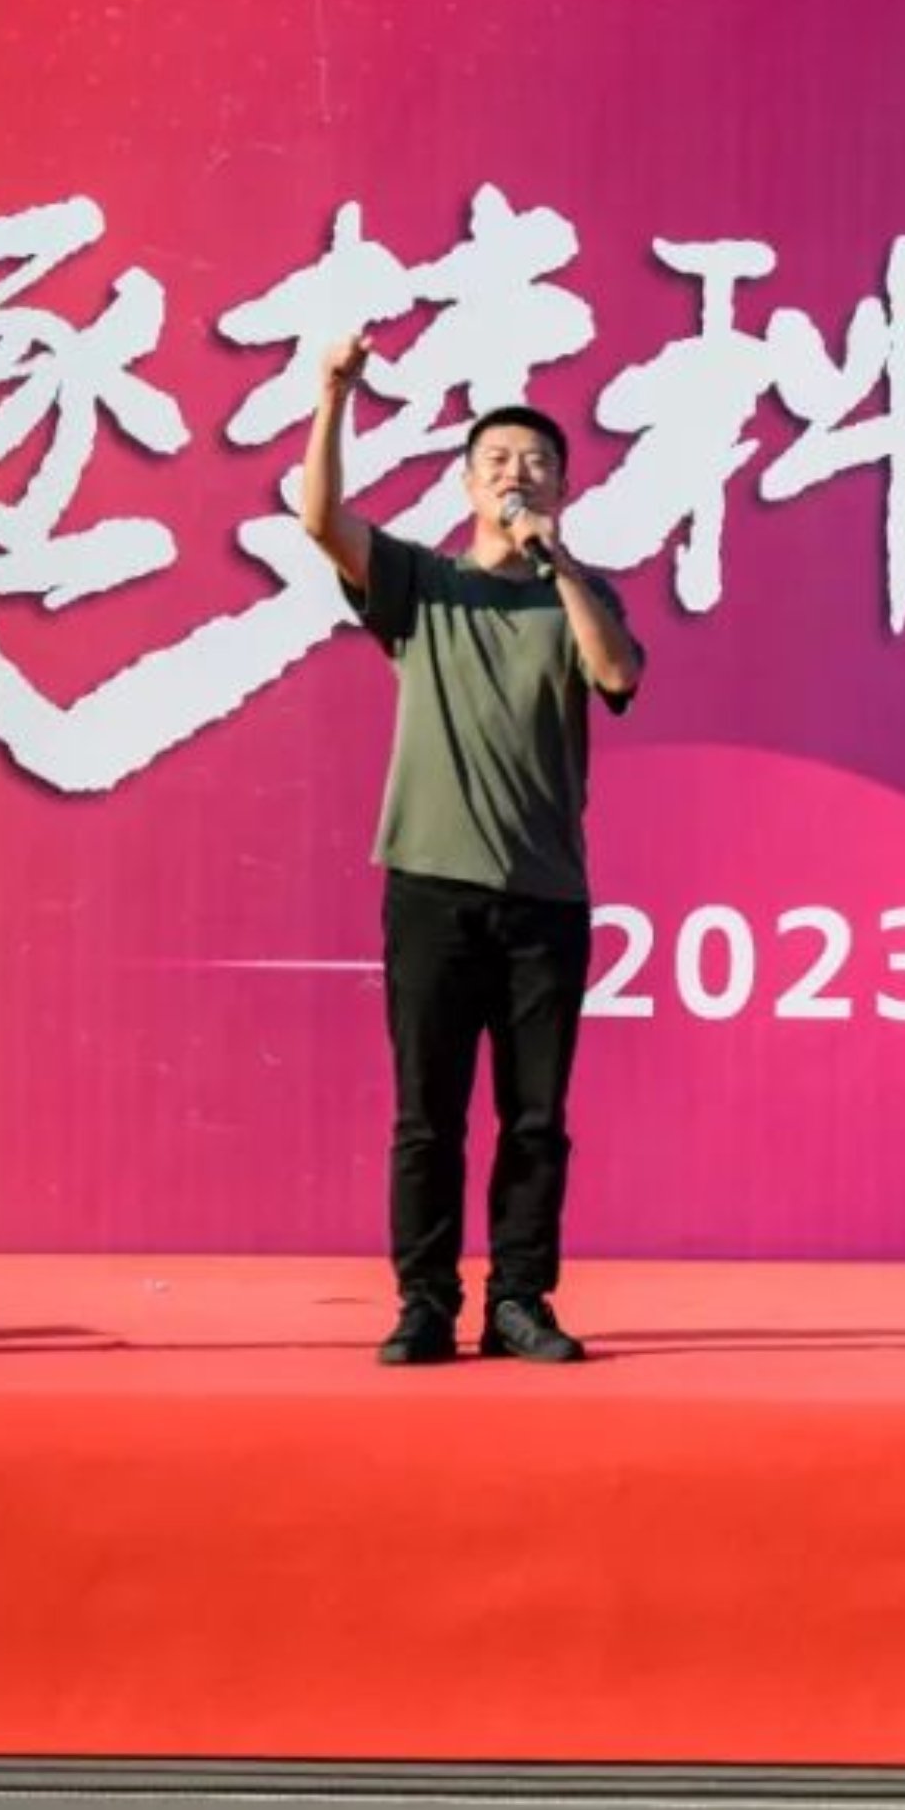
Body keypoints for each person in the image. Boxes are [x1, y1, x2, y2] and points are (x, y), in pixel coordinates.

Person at [302, 336, 645, 1367]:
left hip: (547, 894)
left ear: (564, 487)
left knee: (535, 1117)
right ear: (465, 484)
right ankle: (424, 1302)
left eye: (536, 463)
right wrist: (334, 395)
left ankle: (519, 1301)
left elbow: (618, 676)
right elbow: (320, 521)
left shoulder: (583, 594)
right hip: (431, 887)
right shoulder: (423, 584)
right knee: (429, 1116)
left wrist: (559, 564)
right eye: (496, 460)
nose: (516, 474)